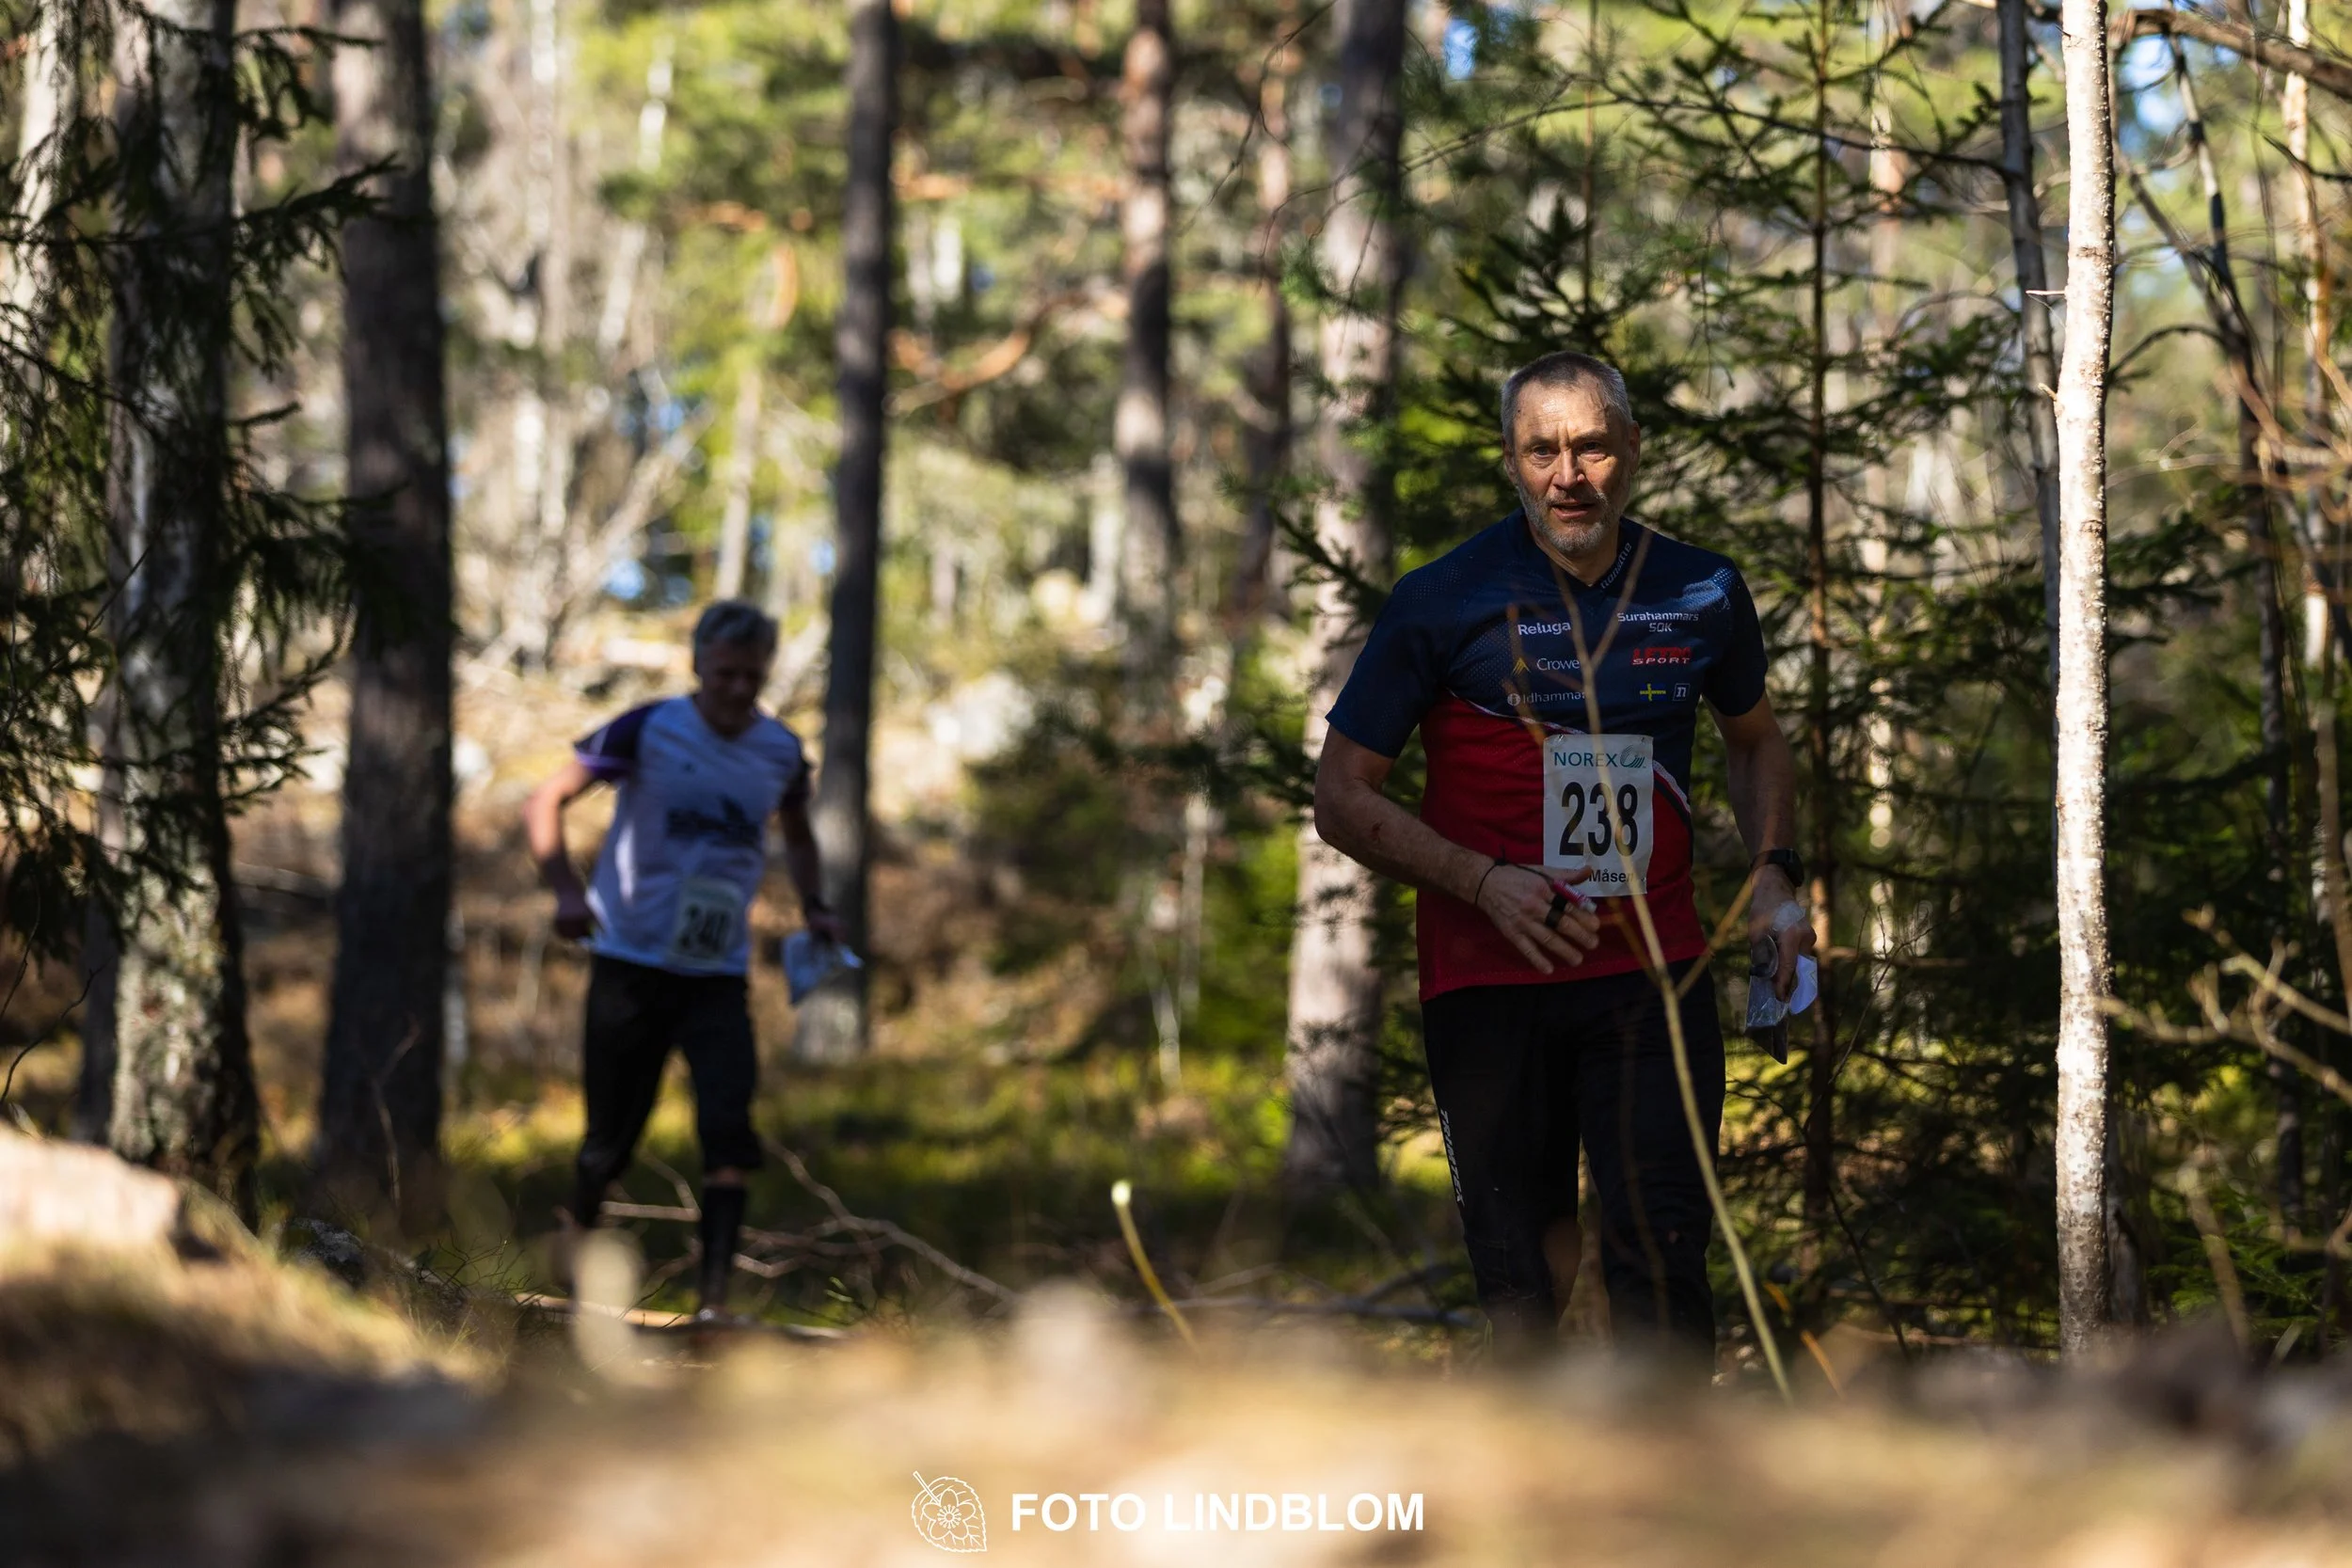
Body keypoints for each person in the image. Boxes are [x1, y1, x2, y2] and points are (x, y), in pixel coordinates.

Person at [1312, 351, 1815, 1364]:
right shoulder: (1441, 598)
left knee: (1662, 1259)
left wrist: (1773, 875)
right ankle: (1532, 1500)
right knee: (1522, 1282)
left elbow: (1754, 737)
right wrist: (1483, 880)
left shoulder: (1703, 589)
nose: (1567, 473)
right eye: (1541, 449)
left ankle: (1672, 1489)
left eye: (1589, 444)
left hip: (1652, 975)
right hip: (1490, 976)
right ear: (1510, 461)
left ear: (1630, 450)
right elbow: (1340, 796)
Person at [524, 600, 844, 1319]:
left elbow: (796, 835)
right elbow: (546, 800)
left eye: (751, 677)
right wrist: (566, 893)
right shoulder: (649, 728)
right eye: (724, 672)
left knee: (729, 1129)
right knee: (609, 1141)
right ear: (697, 663)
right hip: (630, 963)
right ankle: (569, 1282)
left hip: (716, 976)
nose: (736, 688)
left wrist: (816, 903)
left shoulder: (781, 751)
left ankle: (714, 1307)